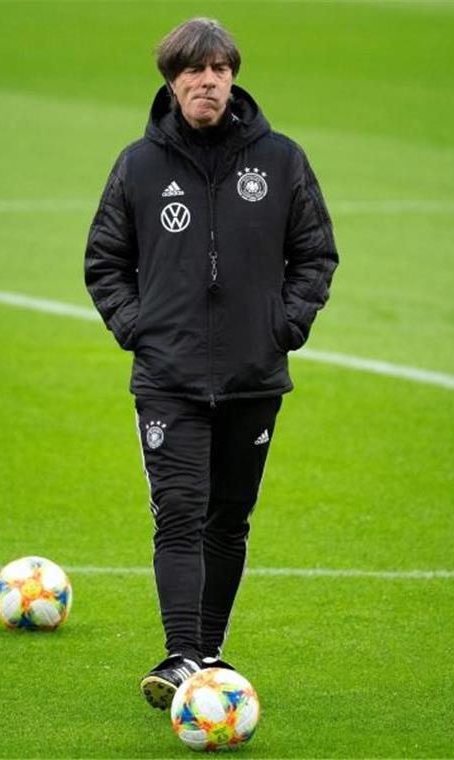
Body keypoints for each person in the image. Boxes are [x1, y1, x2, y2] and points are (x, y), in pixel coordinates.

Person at [84, 17, 338, 710]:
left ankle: (210, 650)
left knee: (230, 518)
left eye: (220, 69)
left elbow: (315, 253)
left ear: (232, 76)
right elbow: (105, 261)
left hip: (255, 375)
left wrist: (285, 325)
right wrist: (140, 329)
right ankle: (178, 655)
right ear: (171, 80)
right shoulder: (138, 166)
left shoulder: (281, 160)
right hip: (169, 378)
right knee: (179, 514)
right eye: (194, 71)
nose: (208, 81)